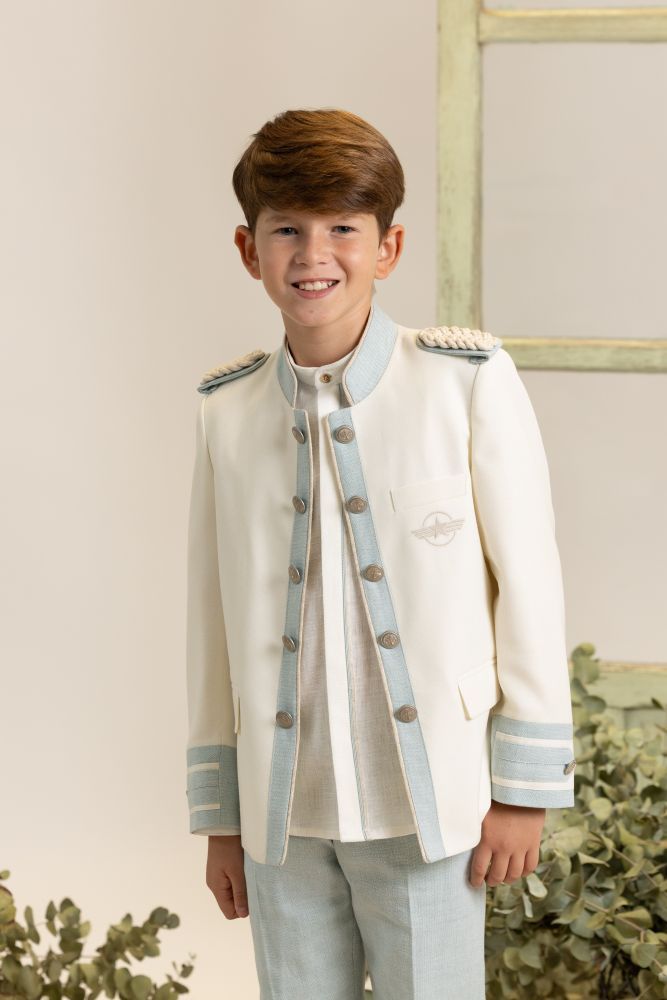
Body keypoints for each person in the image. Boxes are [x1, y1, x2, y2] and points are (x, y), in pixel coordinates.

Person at [184, 107, 576, 999]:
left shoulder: (462, 384)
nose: (312, 255)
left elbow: (529, 589)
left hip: (427, 807)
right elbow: (208, 621)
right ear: (249, 250)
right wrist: (222, 817)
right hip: (282, 819)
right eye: (286, 229)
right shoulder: (225, 412)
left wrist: (522, 790)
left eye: (342, 229)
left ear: (388, 247)